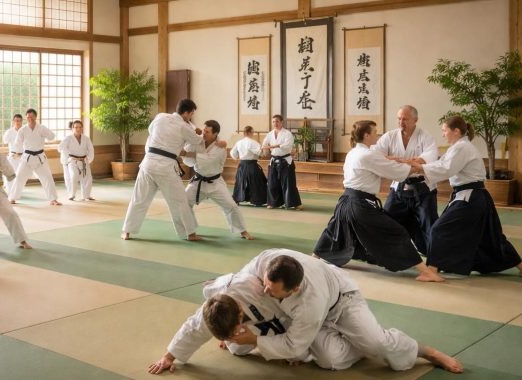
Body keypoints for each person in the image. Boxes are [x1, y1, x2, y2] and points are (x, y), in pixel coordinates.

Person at [230, 249, 462, 373]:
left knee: (378, 345)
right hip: (310, 318)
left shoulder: (309, 301)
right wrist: (235, 322)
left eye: (273, 291)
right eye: (267, 285)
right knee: (329, 360)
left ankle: (427, 351)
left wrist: (256, 340)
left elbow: (293, 344)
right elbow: (240, 287)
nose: (265, 291)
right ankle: (358, 345)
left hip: (342, 302)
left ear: (294, 289)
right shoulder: (267, 263)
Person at [313, 120, 444, 282]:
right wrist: (416, 167)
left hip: (346, 201)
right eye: (375, 132)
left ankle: (313, 259)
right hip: (360, 205)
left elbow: (383, 160)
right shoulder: (368, 155)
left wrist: (397, 160)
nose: (378, 134)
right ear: (367, 135)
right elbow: (396, 172)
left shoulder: (354, 152)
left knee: (335, 229)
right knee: (396, 232)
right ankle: (426, 272)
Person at [412, 116, 522, 276]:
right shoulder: (458, 147)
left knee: (439, 229)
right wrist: (420, 166)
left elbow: (446, 169)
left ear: (456, 131)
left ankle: (432, 270)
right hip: (475, 197)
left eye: (444, 131)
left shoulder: (462, 148)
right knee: (491, 237)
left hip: (470, 198)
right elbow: (441, 164)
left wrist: (420, 168)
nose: (443, 134)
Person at [148, 272, 300, 375]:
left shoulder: (262, 293)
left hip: (280, 315)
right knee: (237, 348)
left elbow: (293, 316)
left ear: (240, 312)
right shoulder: (213, 308)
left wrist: (285, 349)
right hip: (248, 313)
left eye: (234, 331)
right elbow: (193, 329)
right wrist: (168, 357)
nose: (233, 335)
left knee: (298, 354)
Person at [122, 99, 204, 241]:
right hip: (165, 167)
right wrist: (199, 133)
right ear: (186, 113)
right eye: (191, 114)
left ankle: (126, 231)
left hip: (147, 163)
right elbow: (197, 141)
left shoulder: (160, 117)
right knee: (179, 201)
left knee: (139, 199)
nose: (190, 117)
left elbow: (150, 130)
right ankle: (190, 233)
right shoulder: (184, 127)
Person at [372, 105, 438, 254]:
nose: (401, 122)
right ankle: (384, 252)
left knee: (429, 223)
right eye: (399, 118)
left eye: (405, 119)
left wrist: (409, 163)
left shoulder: (425, 136)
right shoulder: (390, 136)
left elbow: (430, 156)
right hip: (399, 186)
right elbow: (375, 154)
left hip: (423, 187)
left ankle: (434, 255)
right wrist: (393, 159)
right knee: (387, 218)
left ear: (415, 120)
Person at [182, 120, 252, 240]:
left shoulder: (220, 147)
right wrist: (187, 148)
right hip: (198, 180)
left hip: (215, 183)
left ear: (215, 134)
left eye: (207, 132)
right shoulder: (198, 141)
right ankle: (190, 230)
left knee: (231, 206)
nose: (204, 133)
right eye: (204, 130)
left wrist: (189, 154)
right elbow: (188, 158)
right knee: (183, 203)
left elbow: (207, 160)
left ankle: (242, 231)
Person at [8, 109, 61, 205]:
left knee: (47, 177)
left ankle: (53, 199)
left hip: (40, 157)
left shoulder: (41, 128)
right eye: (28, 117)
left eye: (32, 117)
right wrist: (16, 153)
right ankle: (12, 198)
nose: (30, 119)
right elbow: (17, 143)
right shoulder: (23, 130)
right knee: (19, 177)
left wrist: (46, 134)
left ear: (36, 117)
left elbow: (52, 136)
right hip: (27, 157)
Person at [263, 115, 302, 210]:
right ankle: (273, 203)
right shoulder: (270, 134)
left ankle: (294, 203)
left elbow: (287, 146)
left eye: (277, 121)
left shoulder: (287, 133)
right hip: (274, 161)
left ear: (281, 122)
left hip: (285, 161)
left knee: (289, 183)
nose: (275, 123)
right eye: (273, 122)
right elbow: (264, 144)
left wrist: (274, 146)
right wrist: (265, 149)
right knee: (272, 183)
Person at [230, 126, 268, 206]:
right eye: (252, 132)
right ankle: (257, 200)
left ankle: (237, 198)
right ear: (250, 132)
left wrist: (236, 158)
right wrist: (262, 153)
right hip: (252, 165)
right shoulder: (253, 142)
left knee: (240, 182)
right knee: (256, 181)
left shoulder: (239, 142)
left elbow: (233, 153)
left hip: (242, 164)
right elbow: (260, 153)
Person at [58, 120, 95, 201]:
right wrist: (68, 157)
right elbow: (60, 147)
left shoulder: (86, 138)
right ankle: (71, 195)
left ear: (82, 128)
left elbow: (91, 150)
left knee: (88, 177)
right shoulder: (68, 138)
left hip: (84, 160)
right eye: (76, 127)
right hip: (72, 161)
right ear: (72, 128)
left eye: (80, 127)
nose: (78, 129)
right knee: (73, 176)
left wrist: (88, 159)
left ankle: (86, 195)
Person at [2, 114, 24, 194]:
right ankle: (10, 192)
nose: (17, 122)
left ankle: (17, 191)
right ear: (13, 121)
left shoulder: (25, 130)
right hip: (13, 156)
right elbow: (5, 141)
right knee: (11, 174)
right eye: (16, 121)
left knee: (21, 175)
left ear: (22, 121)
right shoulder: (9, 132)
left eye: (19, 121)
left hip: (23, 156)